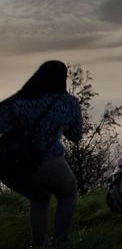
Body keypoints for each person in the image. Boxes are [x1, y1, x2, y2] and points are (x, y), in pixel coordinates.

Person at [0, 60, 83, 247]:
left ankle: (40, 244)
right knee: (68, 192)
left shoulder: (19, 101)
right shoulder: (68, 103)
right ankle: (61, 241)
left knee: (38, 197)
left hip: (11, 166)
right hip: (48, 161)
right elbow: (76, 136)